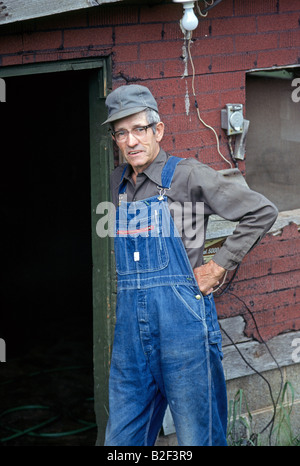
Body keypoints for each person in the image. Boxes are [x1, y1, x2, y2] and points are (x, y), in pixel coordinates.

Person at [102, 84, 278, 446]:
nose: (131, 141)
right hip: (130, 339)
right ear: (115, 139)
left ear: (159, 130)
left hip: (184, 331)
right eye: (122, 133)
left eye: (139, 129)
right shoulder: (116, 185)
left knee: (199, 439)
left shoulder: (188, 175)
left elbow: (261, 212)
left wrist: (219, 266)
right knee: (121, 440)